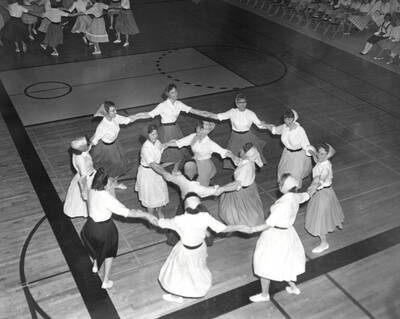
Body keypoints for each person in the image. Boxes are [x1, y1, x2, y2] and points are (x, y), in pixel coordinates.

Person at [147, 194, 267, 303]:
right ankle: (196, 286)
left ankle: (176, 295)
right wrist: (239, 227)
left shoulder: (180, 220)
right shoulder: (205, 216)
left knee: (177, 271)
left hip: (185, 250)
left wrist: (150, 215)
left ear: (185, 207)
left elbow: (159, 223)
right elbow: (223, 229)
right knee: (196, 267)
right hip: (199, 248)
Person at [81, 168, 157, 289]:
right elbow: (128, 212)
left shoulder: (91, 190)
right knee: (109, 253)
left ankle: (95, 265)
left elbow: (84, 193)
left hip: (89, 227)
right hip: (104, 229)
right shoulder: (107, 198)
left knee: (95, 246)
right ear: (106, 183)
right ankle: (105, 281)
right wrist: (146, 215)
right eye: (110, 181)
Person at [249, 174, 317, 302]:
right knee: (286, 261)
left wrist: (251, 229)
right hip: (288, 233)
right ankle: (293, 287)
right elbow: (308, 194)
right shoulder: (295, 197)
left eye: (281, 183)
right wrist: (316, 184)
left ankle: (264, 295)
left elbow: (268, 224)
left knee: (264, 263)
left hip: (275, 235)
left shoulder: (282, 205)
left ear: (285, 187)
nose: (278, 184)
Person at [130, 84, 209, 162]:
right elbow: (149, 114)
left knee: (178, 150)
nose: (175, 94)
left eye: (175, 91)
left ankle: (174, 169)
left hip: (175, 128)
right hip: (166, 130)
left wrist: (208, 114)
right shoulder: (163, 105)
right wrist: (135, 117)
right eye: (172, 92)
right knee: (168, 150)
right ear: (168, 94)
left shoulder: (179, 104)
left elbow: (193, 110)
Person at [200, 93, 269, 169]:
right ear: (236, 104)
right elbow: (217, 116)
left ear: (246, 103)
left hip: (247, 136)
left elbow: (260, 125)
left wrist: (268, 125)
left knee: (250, 156)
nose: (242, 105)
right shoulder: (232, 112)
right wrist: (203, 114)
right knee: (234, 155)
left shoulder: (250, 113)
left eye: (244, 102)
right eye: (240, 103)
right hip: (235, 137)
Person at [163, 121, 236, 186]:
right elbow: (179, 143)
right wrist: (166, 144)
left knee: (201, 186)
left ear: (206, 131)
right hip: (195, 162)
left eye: (202, 129)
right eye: (198, 128)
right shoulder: (193, 136)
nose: (199, 131)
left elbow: (224, 152)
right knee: (190, 182)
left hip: (204, 166)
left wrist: (234, 158)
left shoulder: (210, 143)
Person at [305, 143, 344, 253]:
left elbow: (320, 179)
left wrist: (312, 188)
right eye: (319, 153)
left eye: (322, 154)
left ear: (327, 155)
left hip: (324, 194)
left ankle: (324, 243)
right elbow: (317, 161)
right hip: (322, 193)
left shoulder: (326, 167)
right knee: (320, 216)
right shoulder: (322, 161)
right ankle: (323, 241)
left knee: (320, 219)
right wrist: (313, 153)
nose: (319, 156)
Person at [219, 143, 265, 227]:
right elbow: (240, 162)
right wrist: (232, 156)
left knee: (236, 211)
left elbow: (237, 184)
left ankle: (243, 225)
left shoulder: (245, 168)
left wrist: (221, 189)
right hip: (250, 188)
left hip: (242, 192)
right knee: (251, 208)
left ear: (246, 154)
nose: (240, 151)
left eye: (242, 150)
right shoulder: (250, 160)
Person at [264, 109, 312, 188]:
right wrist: (265, 125)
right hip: (287, 154)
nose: (287, 121)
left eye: (290, 119)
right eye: (286, 118)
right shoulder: (284, 127)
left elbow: (307, 145)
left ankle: (293, 192)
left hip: (298, 156)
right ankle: (284, 189)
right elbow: (274, 130)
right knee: (283, 172)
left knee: (295, 176)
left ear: (294, 119)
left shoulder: (300, 130)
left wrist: (314, 154)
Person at [90, 101, 136, 178]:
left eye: (115, 109)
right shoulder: (102, 126)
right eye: (113, 111)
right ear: (106, 113)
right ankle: (109, 182)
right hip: (106, 149)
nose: (116, 112)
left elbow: (128, 119)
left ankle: (113, 181)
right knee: (113, 165)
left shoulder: (115, 117)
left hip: (115, 144)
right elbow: (94, 140)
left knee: (120, 163)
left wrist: (146, 115)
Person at [135, 125, 170, 218]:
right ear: (147, 135)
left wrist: (171, 143)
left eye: (156, 133)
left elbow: (161, 147)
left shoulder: (157, 142)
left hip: (156, 171)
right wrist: (165, 173)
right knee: (150, 196)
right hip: (148, 174)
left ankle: (159, 211)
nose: (156, 136)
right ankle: (151, 216)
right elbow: (153, 165)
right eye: (152, 134)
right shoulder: (145, 148)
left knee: (160, 192)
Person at [64, 136, 96, 218]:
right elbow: (83, 177)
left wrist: (95, 139)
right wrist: (84, 191)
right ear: (83, 147)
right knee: (88, 200)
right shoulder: (80, 160)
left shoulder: (79, 151)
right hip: (88, 179)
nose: (89, 144)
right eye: (87, 144)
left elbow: (90, 145)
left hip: (91, 175)